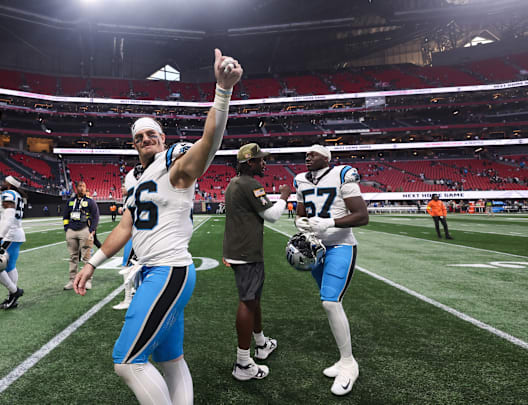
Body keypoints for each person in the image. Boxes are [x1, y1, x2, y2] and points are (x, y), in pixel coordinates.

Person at [73, 48, 242, 405]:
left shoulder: (173, 163)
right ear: (133, 144)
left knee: (127, 361)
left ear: (163, 139)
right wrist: (90, 265)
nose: (146, 140)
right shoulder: (135, 179)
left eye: (152, 134)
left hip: (168, 270)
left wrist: (222, 91)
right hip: (152, 272)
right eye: (139, 137)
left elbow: (207, 146)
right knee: (171, 359)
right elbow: (124, 228)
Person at [294, 145, 369, 396]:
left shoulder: (343, 174)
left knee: (330, 303)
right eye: (306, 154)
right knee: (330, 301)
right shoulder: (301, 179)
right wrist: (301, 223)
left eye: (313, 153)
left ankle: (349, 363)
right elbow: (300, 213)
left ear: (327, 157)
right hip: (317, 249)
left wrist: (330, 222)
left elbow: (361, 215)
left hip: (340, 245)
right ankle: (343, 359)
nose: (307, 157)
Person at [223, 143, 291, 381]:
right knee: (248, 302)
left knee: (253, 299)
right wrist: (283, 197)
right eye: (260, 160)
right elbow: (271, 216)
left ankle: (261, 344)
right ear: (249, 162)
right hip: (247, 252)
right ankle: (243, 363)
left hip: (237, 249)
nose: (264, 163)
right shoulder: (251, 183)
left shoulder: (234, 182)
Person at [0, 176, 26, 310]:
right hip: (16, 234)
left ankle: (14, 292)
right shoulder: (17, 195)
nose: (3, 183)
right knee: (10, 267)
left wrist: (0, 237)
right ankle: (12, 299)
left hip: (10, 235)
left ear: (10, 184)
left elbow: (9, 218)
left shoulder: (9, 194)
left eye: (5, 182)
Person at [113, 169, 142, 311]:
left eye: (124, 185)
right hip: (140, 236)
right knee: (137, 267)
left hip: (134, 236)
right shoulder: (132, 198)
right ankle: (135, 295)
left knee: (127, 266)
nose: (121, 187)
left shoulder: (133, 199)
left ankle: (128, 299)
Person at [63, 181, 99, 290]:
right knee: (73, 257)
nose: (82, 188)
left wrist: (92, 230)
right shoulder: (70, 201)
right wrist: (66, 229)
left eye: (84, 186)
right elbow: (65, 216)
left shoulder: (90, 202)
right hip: (71, 231)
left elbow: (96, 217)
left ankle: (87, 280)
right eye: (80, 186)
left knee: (86, 257)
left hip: (84, 230)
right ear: (76, 188)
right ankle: (72, 280)